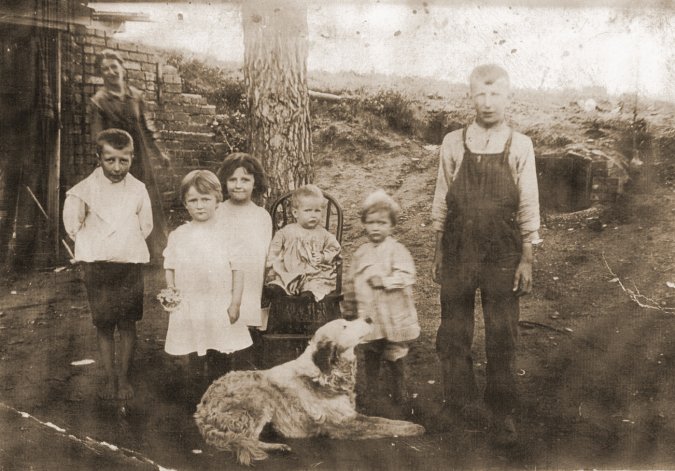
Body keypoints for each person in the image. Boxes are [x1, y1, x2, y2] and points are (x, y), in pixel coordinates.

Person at [431, 64, 540, 446]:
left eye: (496, 95)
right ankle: (457, 401)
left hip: (503, 251)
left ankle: (501, 409)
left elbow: (528, 204)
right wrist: (439, 249)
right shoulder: (453, 142)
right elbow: (442, 198)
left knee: (501, 331)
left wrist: (526, 258)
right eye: (481, 94)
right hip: (459, 248)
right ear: (471, 96)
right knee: (454, 328)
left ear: (508, 98)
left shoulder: (520, 144)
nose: (488, 102)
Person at [63, 128, 152, 400]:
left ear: (132, 158)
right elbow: (72, 224)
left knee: (127, 323)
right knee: (104, 323)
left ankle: (124, 377)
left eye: (123, 160)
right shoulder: (83, 191)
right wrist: (96, 244)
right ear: (98, 157)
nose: (117, 167)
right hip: (98, 267)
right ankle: (109, 377)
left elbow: (145, 226)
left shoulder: (138, 189)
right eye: (110, 159)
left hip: (128, 265)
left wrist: (124, 243)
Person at [162, 170, 252, 381]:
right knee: (194, 349)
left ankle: (218, 394)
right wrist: (172, 294)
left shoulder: (229, 232)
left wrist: (235, 303)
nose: (199, 205)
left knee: (220, 349)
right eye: (193, 200)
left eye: (205, 199)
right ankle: (196, 394)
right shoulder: (179, 236)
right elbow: (170, 267)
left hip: (218, 303)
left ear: (217, 200)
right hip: (190, 304)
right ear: (185, 203)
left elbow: (238, 270)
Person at [89, 49, 170, 263]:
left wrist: (159, 151)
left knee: (148, 200)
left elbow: (147, 126)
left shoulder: (135, 96)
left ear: (122, 68)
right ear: (101, 74)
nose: (110, 72)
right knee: (120, 203)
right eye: (104, 69)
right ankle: (121, 254)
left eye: (113, 67)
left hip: (140, 157)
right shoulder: (98, 101)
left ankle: (158, 253)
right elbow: (97, 137)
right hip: (118, 160)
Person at [343, 189, 420, 410]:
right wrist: (349, 306)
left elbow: (407, 275)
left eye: (382, 223)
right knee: (371, 352)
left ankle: (400, 392)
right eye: (371, 223)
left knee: (396, 352)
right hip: (370, 317)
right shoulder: (361, 253)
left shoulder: (398, 250)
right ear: (364, 224)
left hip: (394, 315)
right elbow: (350, 281)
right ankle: (372, 393)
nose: (376, 228)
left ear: (392, 225)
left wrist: (386, 280)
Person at [215, 153, 272, 338]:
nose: (238, 185)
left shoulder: (262, 216)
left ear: (255, 182)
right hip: (224, 275)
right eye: (232, 180)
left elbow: (264, 252)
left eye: (245, 180)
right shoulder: (218, 211)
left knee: (247, 318)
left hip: (252, 276)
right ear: (225, 182)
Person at [265, 184, 341, 302]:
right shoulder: (287, 231)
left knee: (315, 284)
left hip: (313, 274)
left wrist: (323, 257)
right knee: (281, 279)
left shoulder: (323, 234)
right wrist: (270, 265)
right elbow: (275, 248)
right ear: (295, 213)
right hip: (290, 271)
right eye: (308, 210)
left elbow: (335, 249)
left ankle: (308, 295)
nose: (313, 215)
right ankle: (277, 289)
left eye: (317, 211)